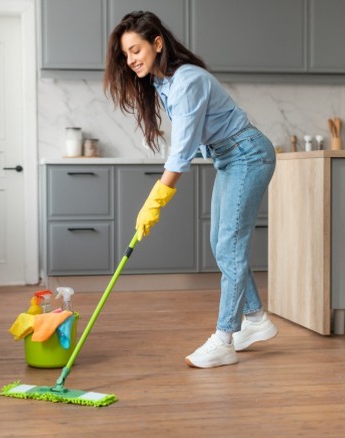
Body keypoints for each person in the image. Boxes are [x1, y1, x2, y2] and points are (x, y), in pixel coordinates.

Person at [104, 11, 278, 369]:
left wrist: (155, 201)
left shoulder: (187, 81)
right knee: (221, 243)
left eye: (135, 49)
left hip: (248, 155)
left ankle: (224, 338)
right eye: (126, 54)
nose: (131, 59)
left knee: (230, 245)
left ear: (157, 43)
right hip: (231, 158)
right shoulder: (163, 84)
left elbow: (181, 152)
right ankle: (256, 319)